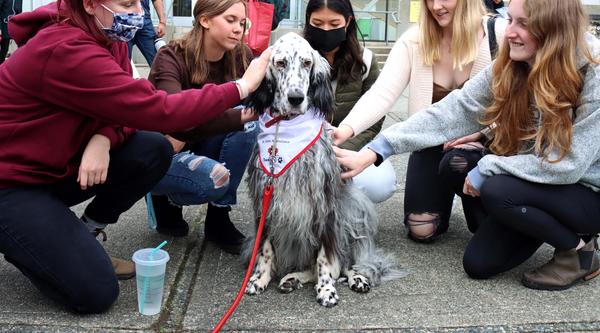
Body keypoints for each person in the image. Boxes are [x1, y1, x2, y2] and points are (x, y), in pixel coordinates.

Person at [0, 0, 269, 313]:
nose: (139, 14)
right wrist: (242, 87)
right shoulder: (66, 48)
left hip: (54, 170)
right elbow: (159, 110)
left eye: (140, 4)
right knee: (96, 292)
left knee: (151, 148)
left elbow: (126, 108)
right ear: (89, 4)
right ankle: (26, 241)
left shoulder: (107, 37)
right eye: (127, 4)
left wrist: (104, 136)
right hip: (12, 184)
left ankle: (84, 233)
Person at [336, 0, 600, 291]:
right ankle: (523, 221)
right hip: (538, 182)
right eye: (510, 19)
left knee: (499, 189)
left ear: (554, 28)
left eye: (522, 24)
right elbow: (457, 109)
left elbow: (570, 164)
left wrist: (488, 166)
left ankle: (579, 250)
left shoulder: (594, 69)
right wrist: (376, 150)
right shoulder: (516, 59)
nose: (509, 32)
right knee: (478, 264)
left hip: (586, 190)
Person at [334, 0, 506, 241]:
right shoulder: (414, 40)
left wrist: (487, 133)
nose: (436, 6)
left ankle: (477, 205)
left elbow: (523, 105)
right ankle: (445, 193)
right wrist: (346, 129)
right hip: (430, 143)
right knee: (421, 229)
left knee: (459, 168)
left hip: (484, 148)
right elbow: (382, 93)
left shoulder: (499, 34)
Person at [147, 0, 257, 254]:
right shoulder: (171, 56)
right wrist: (238, 117)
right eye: (230, 20)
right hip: (166, 152)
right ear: (205, 20)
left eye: (242, 23)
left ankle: (219, 217)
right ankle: (163, 196)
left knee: (249, 125)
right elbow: (175, 118)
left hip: (200, 140)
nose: (238, 29)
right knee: (241, 119)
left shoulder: (242, 56)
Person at [302, 0, 396, 203]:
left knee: (380, 184)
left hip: (350, 144)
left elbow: (375, 118)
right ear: (308, 21)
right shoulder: (294, 57)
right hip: (301, 146)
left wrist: (344, 150)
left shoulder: (365, 61)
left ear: (348, 22)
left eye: (334, 24)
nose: (325, 30)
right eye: (317, 23)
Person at [127, 0, 166, 65]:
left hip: (144, 21)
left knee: (158, 61)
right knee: (123, 62)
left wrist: (162, 22)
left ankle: (163, 75)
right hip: (124, 21)